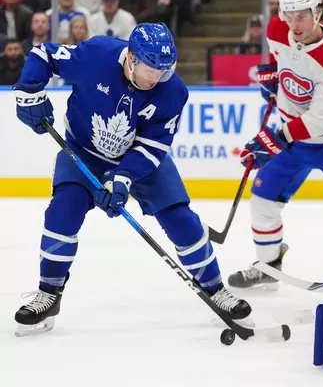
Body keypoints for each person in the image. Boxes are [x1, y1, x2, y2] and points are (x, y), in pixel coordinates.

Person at [12, 22, 251, 336]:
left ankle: (215, 288)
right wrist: (29, 91)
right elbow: (44, 54)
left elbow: (153, 146)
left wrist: (123, 177)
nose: (156, 79)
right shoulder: (96, 54)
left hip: (139, 160)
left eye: (163, 72)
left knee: (181, 219)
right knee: (62, 212)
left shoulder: (173, 91)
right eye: (150, 70)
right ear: (131, 58)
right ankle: (49, 292)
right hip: (83, 151)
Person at [226, 0, 323, 290]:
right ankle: (268, 267)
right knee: (262, 201)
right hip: (292, 140)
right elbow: (276, 55)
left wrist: (275, 137)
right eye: (289, 15)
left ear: (319, 12)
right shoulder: (277, 27)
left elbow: (321, 119)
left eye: (302, 16)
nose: (293, 25)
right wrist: (271, 77)